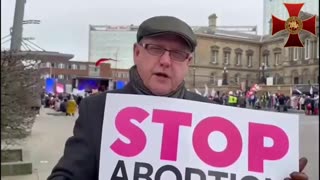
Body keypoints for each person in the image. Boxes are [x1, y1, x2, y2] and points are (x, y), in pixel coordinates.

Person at [47, 16, 308, 180]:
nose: (165, 61)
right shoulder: (99, 109)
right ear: (137, 53)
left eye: (178, 54)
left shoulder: (212, 113)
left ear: (189, 63)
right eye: (156, 48)